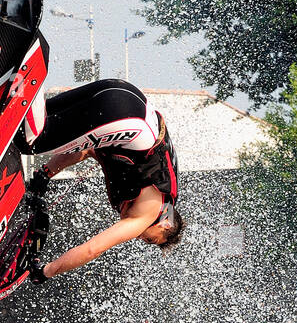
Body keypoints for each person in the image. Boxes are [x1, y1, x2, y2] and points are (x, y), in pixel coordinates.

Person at [18, 79, 182, 284]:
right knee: (29, 141)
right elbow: (92, 249)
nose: (140, 237)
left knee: (23, 118)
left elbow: (88, 150)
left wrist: (45, 174)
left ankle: (14, 74)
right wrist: (45, 271)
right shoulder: (149, 213)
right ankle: (28, 67)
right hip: (126, 117)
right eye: (150, 238)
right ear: (166, 224)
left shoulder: (152, 184)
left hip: (125, 93)